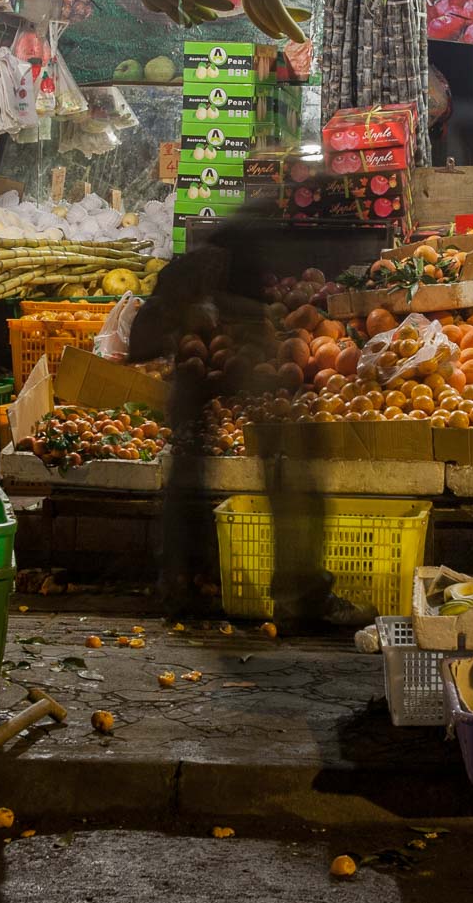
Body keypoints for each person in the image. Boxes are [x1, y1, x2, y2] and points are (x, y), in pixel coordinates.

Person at [129, 198, 332, 625]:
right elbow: (220, 317)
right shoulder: (239, 252)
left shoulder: (240, 244)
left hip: (206, 348)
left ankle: (184, 583)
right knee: (283, 469)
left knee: (193, 462)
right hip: (206, 346)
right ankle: (295, 593)